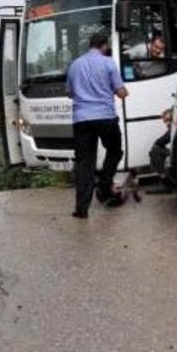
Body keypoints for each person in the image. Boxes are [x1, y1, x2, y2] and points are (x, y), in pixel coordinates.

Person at [66, 32, 128, 219]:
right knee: (115, 150)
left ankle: (81, 209)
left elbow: (69, 93)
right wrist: (123, 91)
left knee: (84, 163)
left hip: (81, 119)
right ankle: (104, 185)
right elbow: (121, 92)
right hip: (105, 117)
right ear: (104, 46)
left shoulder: (75, 65)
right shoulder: (108, 63)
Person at [147, 109, 175, 194]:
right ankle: (160, 180)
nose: (166, 123)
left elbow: (161, 141)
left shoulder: (174, 128)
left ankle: (163, 181)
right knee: (154, 151)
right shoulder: (172, 128)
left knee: (155, 150)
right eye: (165, 121)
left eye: (168, 120)